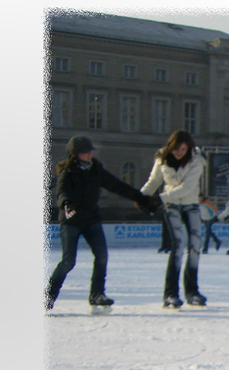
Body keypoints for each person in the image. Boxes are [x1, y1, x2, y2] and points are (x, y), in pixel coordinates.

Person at [46, 135, 158, 310]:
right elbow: (61, 193)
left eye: (90, 150)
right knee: (68, 262)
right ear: (75, 155)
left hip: (91, 220)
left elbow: (118, 186)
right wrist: (66, 205)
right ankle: (49, 296)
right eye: (86, 151)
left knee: (102, 256)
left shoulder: (96, 170)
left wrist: (142, 199)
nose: (90, 153)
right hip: (71, 222)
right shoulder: (67, 173)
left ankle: (97, 294)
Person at [140, 129, 206, 308]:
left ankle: (192, 291)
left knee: (195, 246)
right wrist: (141, 197)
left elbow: (186, 188)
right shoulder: (162, 159)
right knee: (178, 245)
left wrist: (158, 198)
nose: (179, 152)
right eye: (176, 148)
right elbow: (153, 181)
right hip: (171, 205)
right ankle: (170, 294)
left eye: (183, 149)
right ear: (170, 147)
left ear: (188, 148)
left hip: (190, 204)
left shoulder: (197, 160)